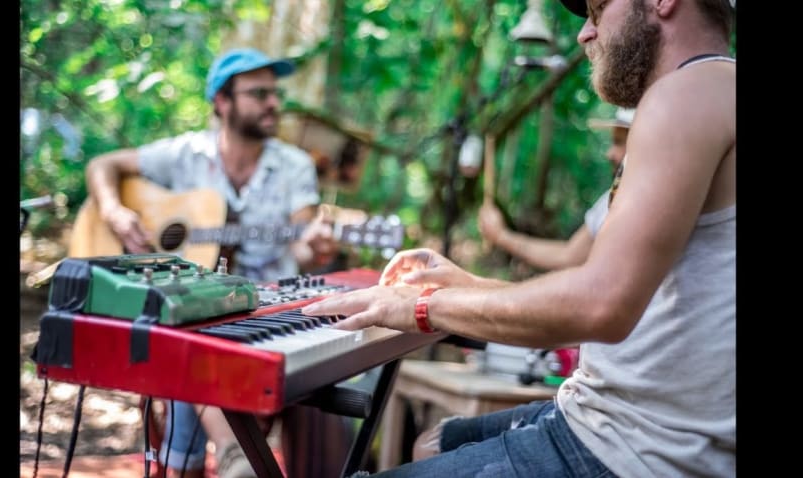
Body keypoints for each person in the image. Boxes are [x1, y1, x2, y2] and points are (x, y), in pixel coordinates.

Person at [303, 0, 735, 476]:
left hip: (629, 451)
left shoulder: (688, 93)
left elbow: (600, 307)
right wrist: (467, 285)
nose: (584, 34)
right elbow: (610, 296)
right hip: (606, 421)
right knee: (434, 443)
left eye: (597, 8)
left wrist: (420, 307)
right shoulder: (709, 92)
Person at [84, 48, 345, 478]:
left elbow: (302, 244)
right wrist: (114, 212)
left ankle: (220, 456)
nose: (273, 103)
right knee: (188, 327)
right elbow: (102, 164)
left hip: (266, 306)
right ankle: (228, 455)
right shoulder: (186, 153)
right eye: (258, 93)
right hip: (193, 307)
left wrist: (315, 247)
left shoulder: (294, 165)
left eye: (275, 93)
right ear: (222, 101)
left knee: (190, 340)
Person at [477, 107, 633, 272]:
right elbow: (568, 256)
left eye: (619, 142)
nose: (609, 153)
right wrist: (501, 236)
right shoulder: (609, 200)